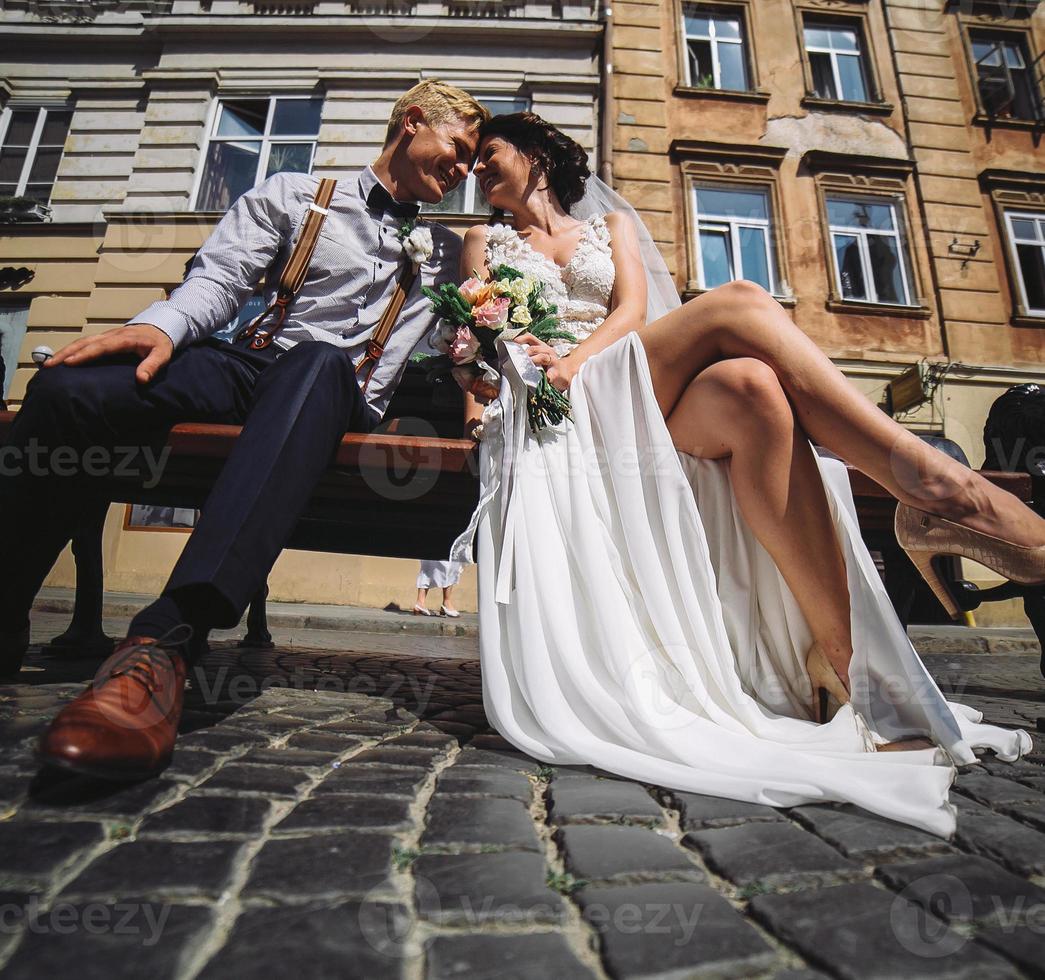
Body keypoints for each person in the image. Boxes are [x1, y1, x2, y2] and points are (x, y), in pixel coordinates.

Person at [456, 112, 1039, 837]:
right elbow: (477, 341)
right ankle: (938, 488)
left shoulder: (612, 230)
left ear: (537, 153)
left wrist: (578, 361)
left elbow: (633, 310)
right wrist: (486, 378)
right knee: (736, 301)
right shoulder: (482, 239)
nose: (475, 169)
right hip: (549, 401)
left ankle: (853, 668)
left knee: (751, 389)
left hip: (617, 378)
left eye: (489, 154)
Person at [0, 80, 489, 780]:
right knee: (69, 386)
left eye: (473, 162)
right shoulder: (295, 194)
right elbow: (218, 282)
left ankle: (165, 642)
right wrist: (157, 326)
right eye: (459, 149)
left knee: (318, 364)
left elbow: (474, 347)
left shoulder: (447, 254)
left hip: (332, 396)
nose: (464, 169)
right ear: (413, 123)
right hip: (245, 367)